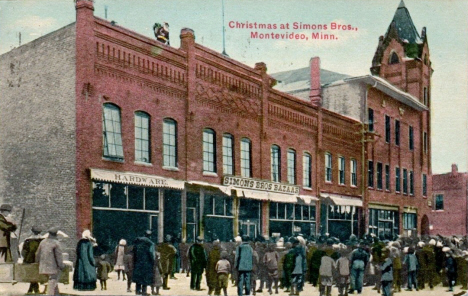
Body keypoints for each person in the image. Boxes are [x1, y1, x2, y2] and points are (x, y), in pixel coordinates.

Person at [35, 226, 65, 296]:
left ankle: (56, 294)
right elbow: (59, 257)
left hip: (42, 268)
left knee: (51, 282)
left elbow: (37, 254)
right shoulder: (56, 243)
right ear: (56, 234)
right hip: (52, 268)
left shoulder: (42, 242)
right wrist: (61, 266)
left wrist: (38, 263)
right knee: (53, 280)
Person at [22, 226, 43, 294]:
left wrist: (26, 258)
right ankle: (34, 290)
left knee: (32, 274)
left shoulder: (28, 240)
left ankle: (31, 290)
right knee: (35, 275)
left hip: (29, 260)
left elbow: (24, 252)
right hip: (40, 260)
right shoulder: (43, 240)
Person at [133, 230, 155, 295]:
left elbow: (133, 251)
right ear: (150, 236)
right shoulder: (150, 243)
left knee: (138, 277)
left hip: (137, 261)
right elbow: (151, 253)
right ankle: (144, 291)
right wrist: (153, 261)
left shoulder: (137, 242)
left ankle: (137, 290)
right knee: (145, 277)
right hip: (146, 262)